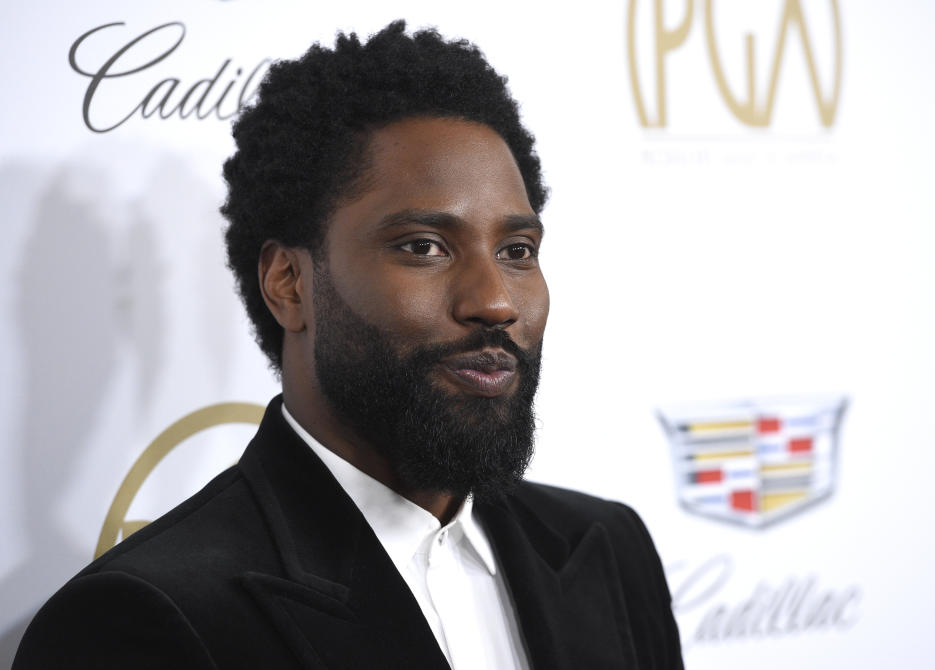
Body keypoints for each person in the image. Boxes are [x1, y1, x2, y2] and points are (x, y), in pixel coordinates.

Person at [14, 21, 682, 669]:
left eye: (517, 250)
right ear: (289, 283)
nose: (496, 301)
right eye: (424, 247)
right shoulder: (145, 620)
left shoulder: (608, 549)